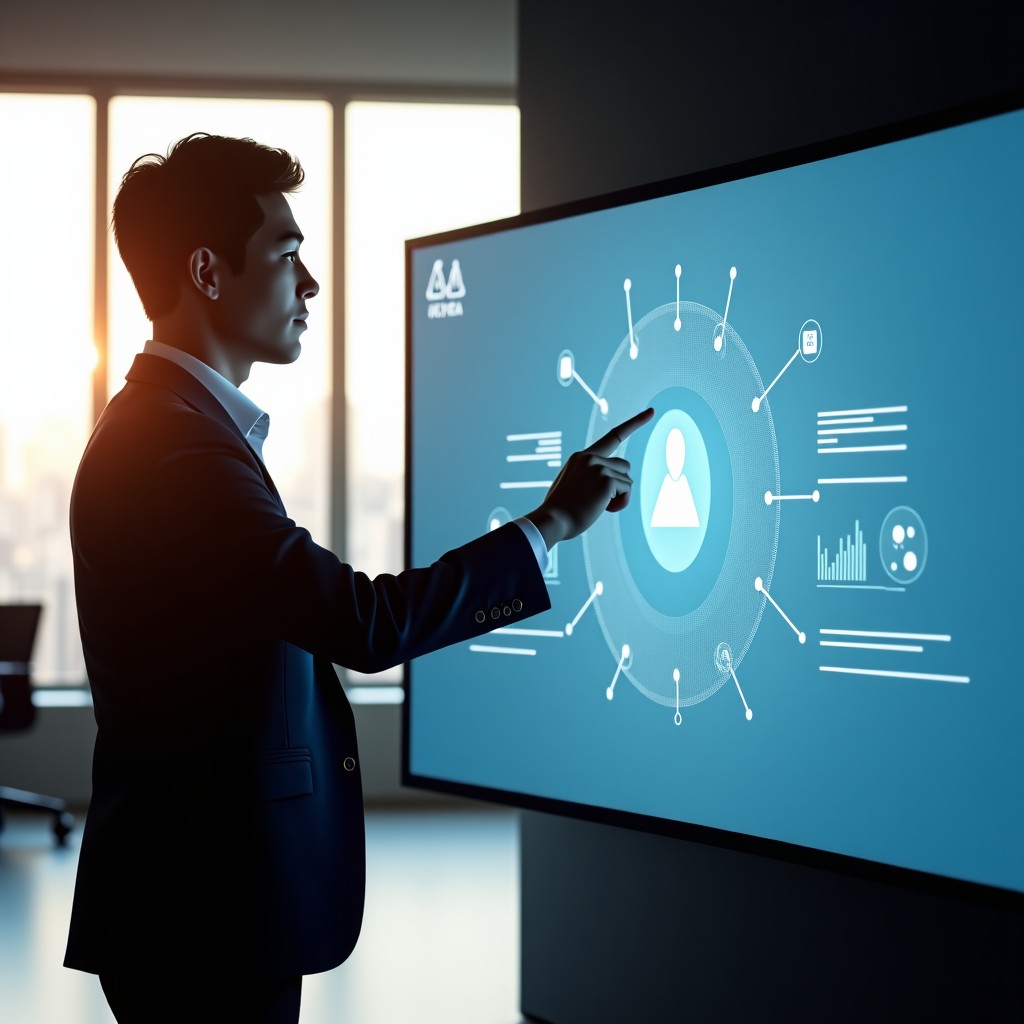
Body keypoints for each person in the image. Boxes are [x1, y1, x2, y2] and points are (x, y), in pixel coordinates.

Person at [63, 132, 652, 1024]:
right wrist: (549, 527)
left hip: (190, 898)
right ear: (207, 272)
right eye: (287, 253)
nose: (311, 285)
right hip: (206, 910)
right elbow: (362, 623)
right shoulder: (176, 447)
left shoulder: (165, 424)